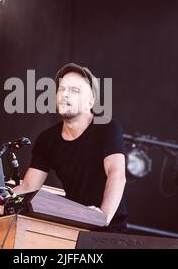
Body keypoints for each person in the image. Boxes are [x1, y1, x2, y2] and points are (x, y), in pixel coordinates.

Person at [14, 63, 128, 232]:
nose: (65, 94)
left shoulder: (107, 127)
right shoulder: (47, 139)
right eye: (62, 89)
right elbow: (28, 187)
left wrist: (101, 216)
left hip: (110, 229)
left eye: (75, 90)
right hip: (73, 225)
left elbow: (117, 175)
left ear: (90, 101)